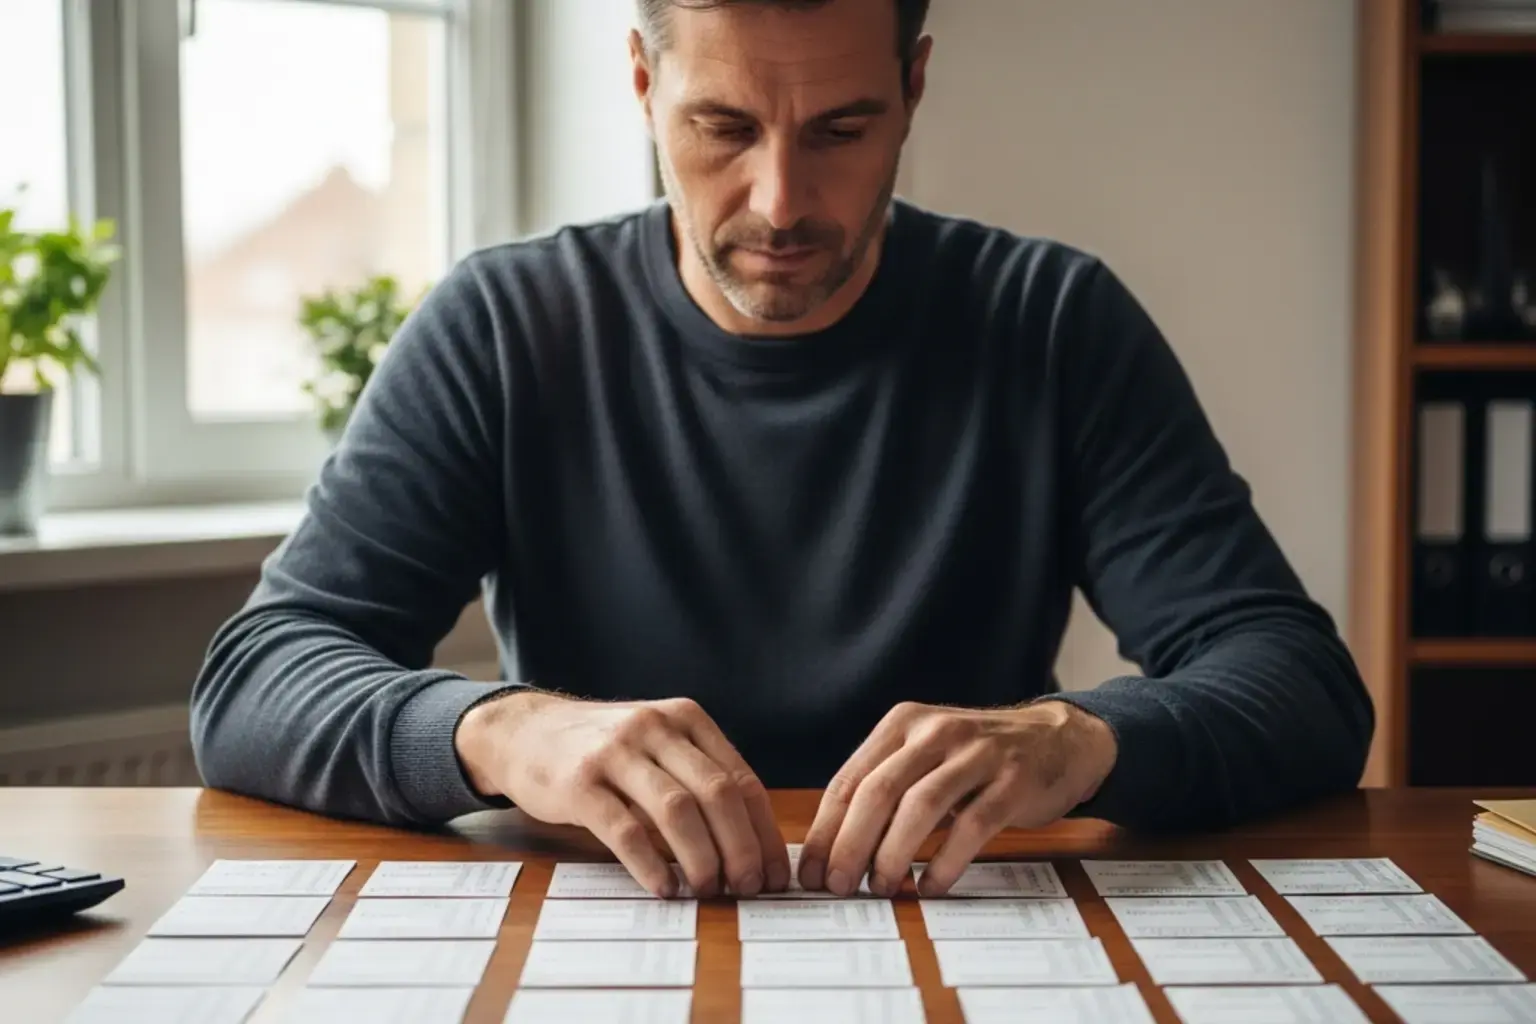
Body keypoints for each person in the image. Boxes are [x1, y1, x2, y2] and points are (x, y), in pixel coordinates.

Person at [190, 0, 1374, 902]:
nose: (779, 202)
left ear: (914, 87)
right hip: (618, 945)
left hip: (963, 929)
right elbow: (255, 679)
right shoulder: (505, 326)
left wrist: (1086, 738)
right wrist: (500, 731)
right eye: (724, 126)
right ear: (644, 82)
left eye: (842, 128)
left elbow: (1299, 681)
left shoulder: (1051, 321)